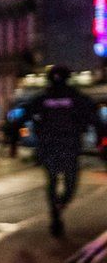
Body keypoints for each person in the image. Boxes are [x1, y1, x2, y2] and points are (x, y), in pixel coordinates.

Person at [25, 65, 97, 236]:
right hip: (69, 146)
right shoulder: (76, 98)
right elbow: (93, 118)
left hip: (49, 147)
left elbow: (24, 116)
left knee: (52, 181)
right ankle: (60, 206)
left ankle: (56, 212)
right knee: (70, 182)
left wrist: (12, 136)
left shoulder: (42, 98)